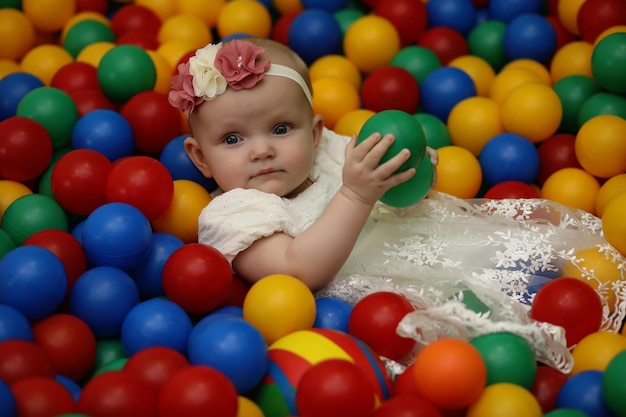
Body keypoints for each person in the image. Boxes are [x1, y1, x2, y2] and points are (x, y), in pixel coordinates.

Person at [169, 37, 626, 373]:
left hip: (431, 239)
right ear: (200, 157)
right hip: (379, 298)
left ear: (314, 133)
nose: (261, 150)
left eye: (281, 129)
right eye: (233, 139)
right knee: (478, 327)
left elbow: (394, 185)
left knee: (538, 262)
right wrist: (355, 194)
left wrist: (410, 170)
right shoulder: (233, 214)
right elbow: (295, 269)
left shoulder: (330, 152)